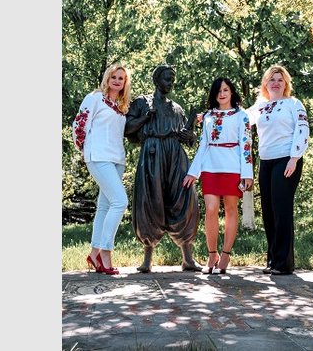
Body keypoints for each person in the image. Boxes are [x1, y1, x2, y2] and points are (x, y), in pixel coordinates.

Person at [125, 65, 202, 273]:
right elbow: (127, 128)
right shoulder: (142, 102)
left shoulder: (177, 108)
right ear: (156, 80)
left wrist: (190, 135)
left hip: (176, 156)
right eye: (167, 79)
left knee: (183, 200)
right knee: (150, 201)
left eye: (172, 80)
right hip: (152, 154)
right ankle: (147, 259)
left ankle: (188, 258)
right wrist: (145, 118)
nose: (170, 83)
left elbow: (189, 139)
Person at [183, 77, 253, 274]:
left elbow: (246, 145)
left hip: (233, 167)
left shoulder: (242, 116)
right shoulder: (208, 116)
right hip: (210, 167)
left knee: (231, 209)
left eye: (225, 90)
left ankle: (226, 254)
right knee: (211, 208)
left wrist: (247, 174)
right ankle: (212, 254)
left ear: (232, 92)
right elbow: (203, 145)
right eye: (218, 91)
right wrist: (193, 172)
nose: (222, 94)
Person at [247, 64, 309, 275]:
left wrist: (294, 158)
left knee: (281, 209)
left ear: (285, 84)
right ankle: (273, 260)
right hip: (266, 161)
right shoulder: (260, 107)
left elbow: (302, 129)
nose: (275, 83)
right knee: (269, 211)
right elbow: (238, 119)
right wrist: (210, 115)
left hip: (287, 159)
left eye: (280, 80)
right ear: (265, 83)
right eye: (271, 79)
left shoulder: (293, 103)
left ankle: (284, 264)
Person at [71, 63, 132, 276]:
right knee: (120, 202)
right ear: (107, 78)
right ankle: (105, 252)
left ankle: (94, 253)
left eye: (121, 78)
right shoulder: (95, 98)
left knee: (105, 207)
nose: (117, 80)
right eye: (114, 76)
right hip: (98, 156)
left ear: (125, 83)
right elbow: (79, 125)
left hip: (117, 159)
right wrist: (84, 150)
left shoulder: (121, 106)